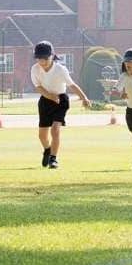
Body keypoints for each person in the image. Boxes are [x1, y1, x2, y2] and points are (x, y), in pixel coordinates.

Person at [31, 40, 91, 170]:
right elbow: (39, 87)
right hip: (45, 101)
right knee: (42, 135)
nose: (42, 62)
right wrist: (50, 96)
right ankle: (47, 150)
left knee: (55, 130)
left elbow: (72, 85)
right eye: (39, 59)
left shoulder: (60, 69)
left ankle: (53, 159)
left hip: (61, 101)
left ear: (52, 56)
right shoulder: (35, 69)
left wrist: (84, 98)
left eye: (45, 59)